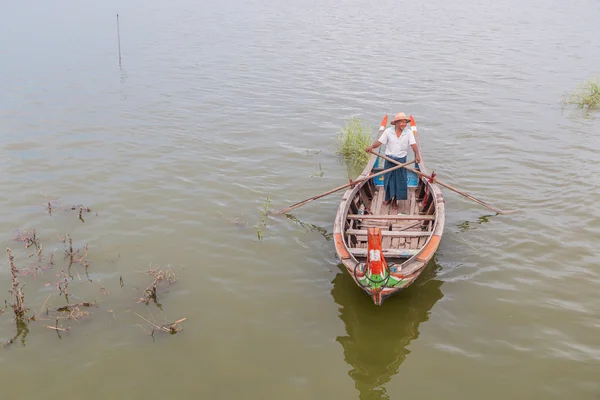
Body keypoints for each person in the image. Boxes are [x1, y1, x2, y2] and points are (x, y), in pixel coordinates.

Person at [365, 112, 421, 209]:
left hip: (401, 161)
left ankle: (395, 201)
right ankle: (389, 199)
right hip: (389, 159)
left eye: (405, 122)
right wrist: (372, 147)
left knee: (399, 181)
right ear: (396, 123)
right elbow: (379, 142)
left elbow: (413, 145)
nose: (404, 124)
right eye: (402, 122)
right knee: (388, 180)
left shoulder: (408, 132)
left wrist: (417, 154)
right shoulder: (388, 131)